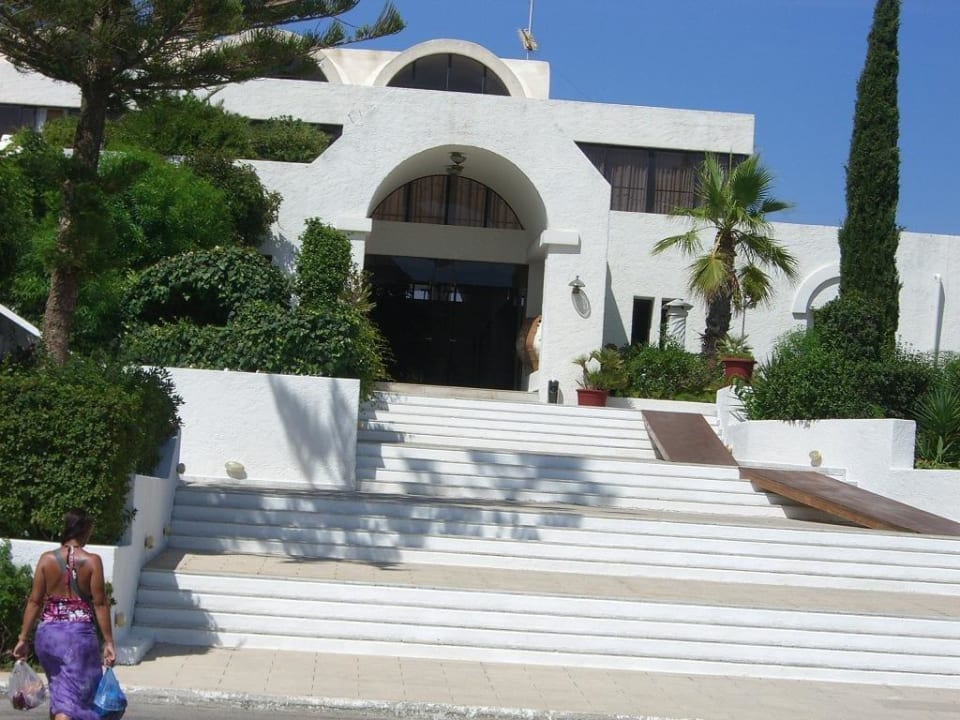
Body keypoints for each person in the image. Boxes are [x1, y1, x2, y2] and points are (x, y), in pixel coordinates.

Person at [12, 508, 116, 720]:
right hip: (79, 637)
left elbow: (34, 601)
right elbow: (100, 603)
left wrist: (23, 638)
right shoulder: (92, 561)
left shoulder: (46, 559)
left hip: (49, 636)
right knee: (76, 699)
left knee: (61, 693)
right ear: (83, 530)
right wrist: (108, 641)